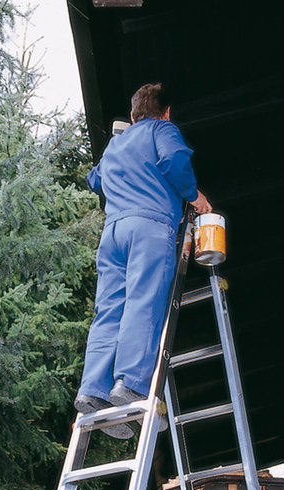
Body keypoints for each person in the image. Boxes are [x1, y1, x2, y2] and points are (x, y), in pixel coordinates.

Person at [75, 82, 212, 438]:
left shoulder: (117, 144)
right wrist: (194, 196)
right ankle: (131, 385)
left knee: (109, 310)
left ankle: (94, 389)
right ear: (165, 112)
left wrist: (121, 142)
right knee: (143, 303)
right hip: (150, 228)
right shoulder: (162, 130)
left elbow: (96, 180)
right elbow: (173, 161)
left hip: (114, 233)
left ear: (133, 115)